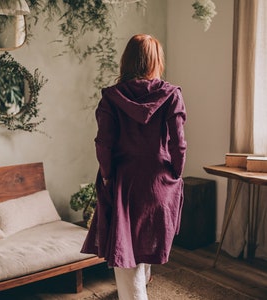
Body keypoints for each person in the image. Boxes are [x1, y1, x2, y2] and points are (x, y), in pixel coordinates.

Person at [81, 34, 187, 300]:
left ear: (126, 60)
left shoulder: (111, 98)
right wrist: (175, 175)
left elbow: (103, 144)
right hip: (158, 182)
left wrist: (106, 177)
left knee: (126, 258)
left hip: (124, 183)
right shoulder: (171, 95)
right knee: (145, 244)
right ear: (156, 61)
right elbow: (179, 144)